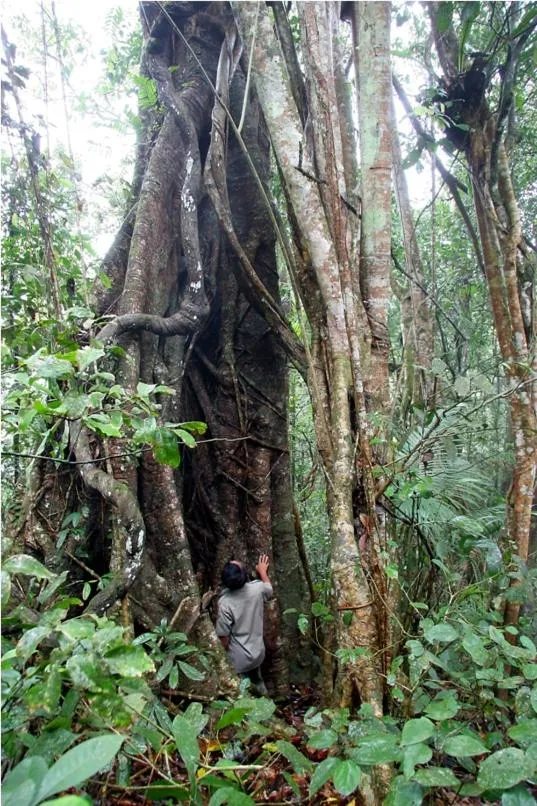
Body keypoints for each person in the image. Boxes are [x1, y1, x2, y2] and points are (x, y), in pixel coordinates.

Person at [216, 554, 273, 695]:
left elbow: (223, 636)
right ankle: (267, 705)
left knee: (244, 691)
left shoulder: (225, 603)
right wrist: (263, 572)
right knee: (258, 681)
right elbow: (269, 590)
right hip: (257, 653)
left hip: (239, 659)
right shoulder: (257, 589)